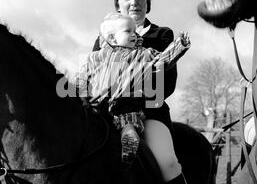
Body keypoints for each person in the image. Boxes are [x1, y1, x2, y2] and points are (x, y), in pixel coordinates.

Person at [92, 0, 194, 184]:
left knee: (167, 163)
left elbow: (165, 86)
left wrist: (127, 83)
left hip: (151, 115)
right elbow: (96, 77)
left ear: (148, 1)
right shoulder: (103, 39)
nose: (133, 2)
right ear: (118, 5)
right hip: (110, 115)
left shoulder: (162, 36)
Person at [76, 12, 190, 166]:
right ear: (112, 38)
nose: (134, 34)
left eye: (135, 31)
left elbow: (161, 62)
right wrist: (82, 96)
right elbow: (82, 77)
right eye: (128, 31)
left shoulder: (142, 54)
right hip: (97, 106)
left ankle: (129, 137)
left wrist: (178, 46)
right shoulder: (95, 57)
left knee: (128, 120)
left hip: (125, 103)